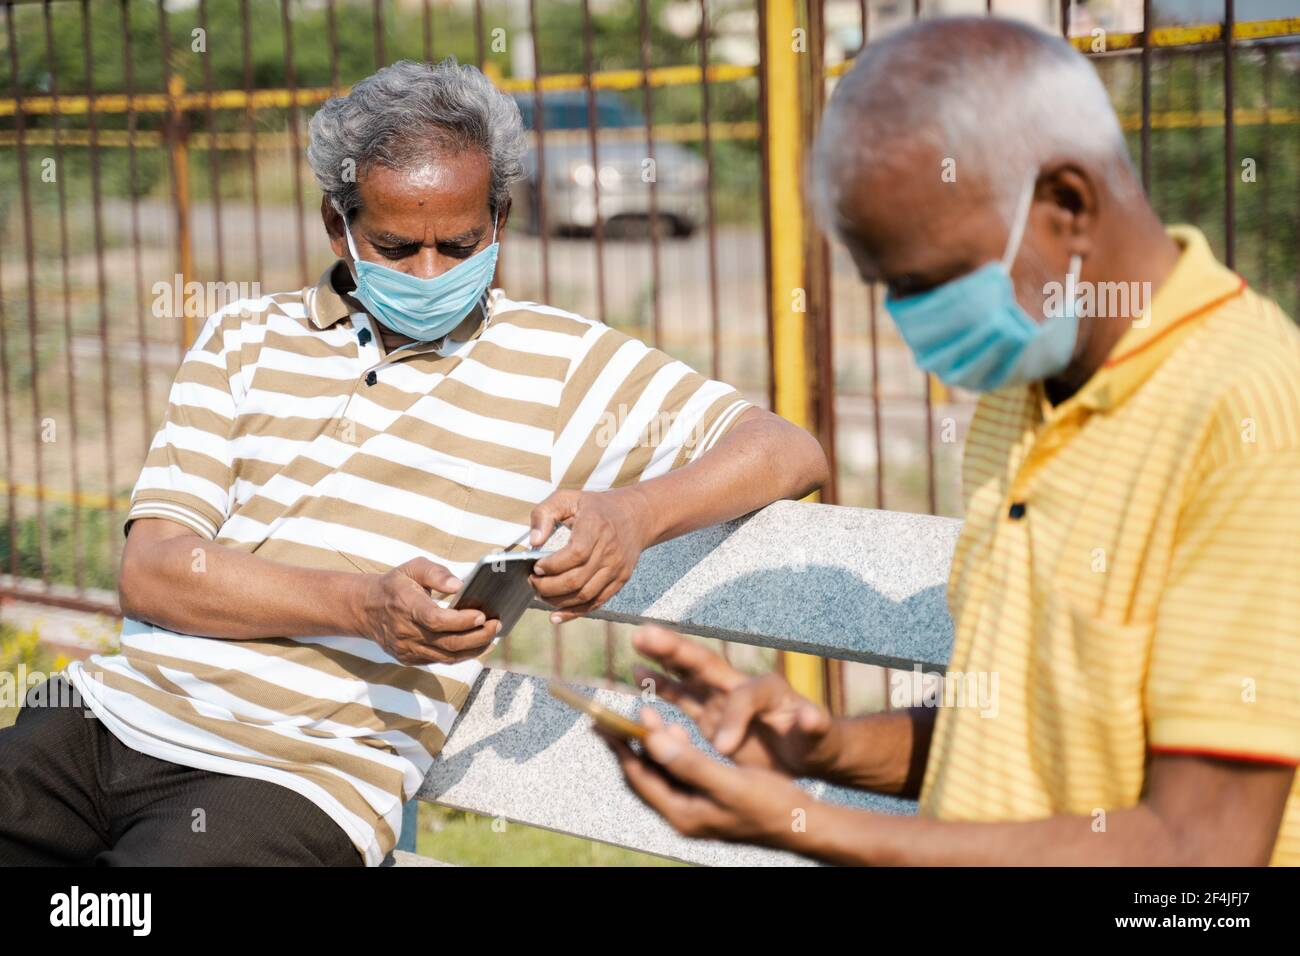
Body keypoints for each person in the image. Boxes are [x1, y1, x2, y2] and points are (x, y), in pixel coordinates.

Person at [0, 58, 827, 866]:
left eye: (459, 244)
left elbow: (786, 449)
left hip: (299, 777)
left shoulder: (562, 362)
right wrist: (362, 606)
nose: (432, 272)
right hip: (105, 717)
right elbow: (152, 573)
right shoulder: (241, 340)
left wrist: (635, 514)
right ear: (339, 226)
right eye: (398, 247)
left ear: (498, 221)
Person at [602, 17, 1300, 865]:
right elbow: (1009, 738)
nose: (905, 321)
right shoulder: (1024, 390)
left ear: (1066, 206)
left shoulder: (1245, 416)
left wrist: (805, 825)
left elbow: (1203, 855)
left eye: (921, 282)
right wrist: (818, 750)